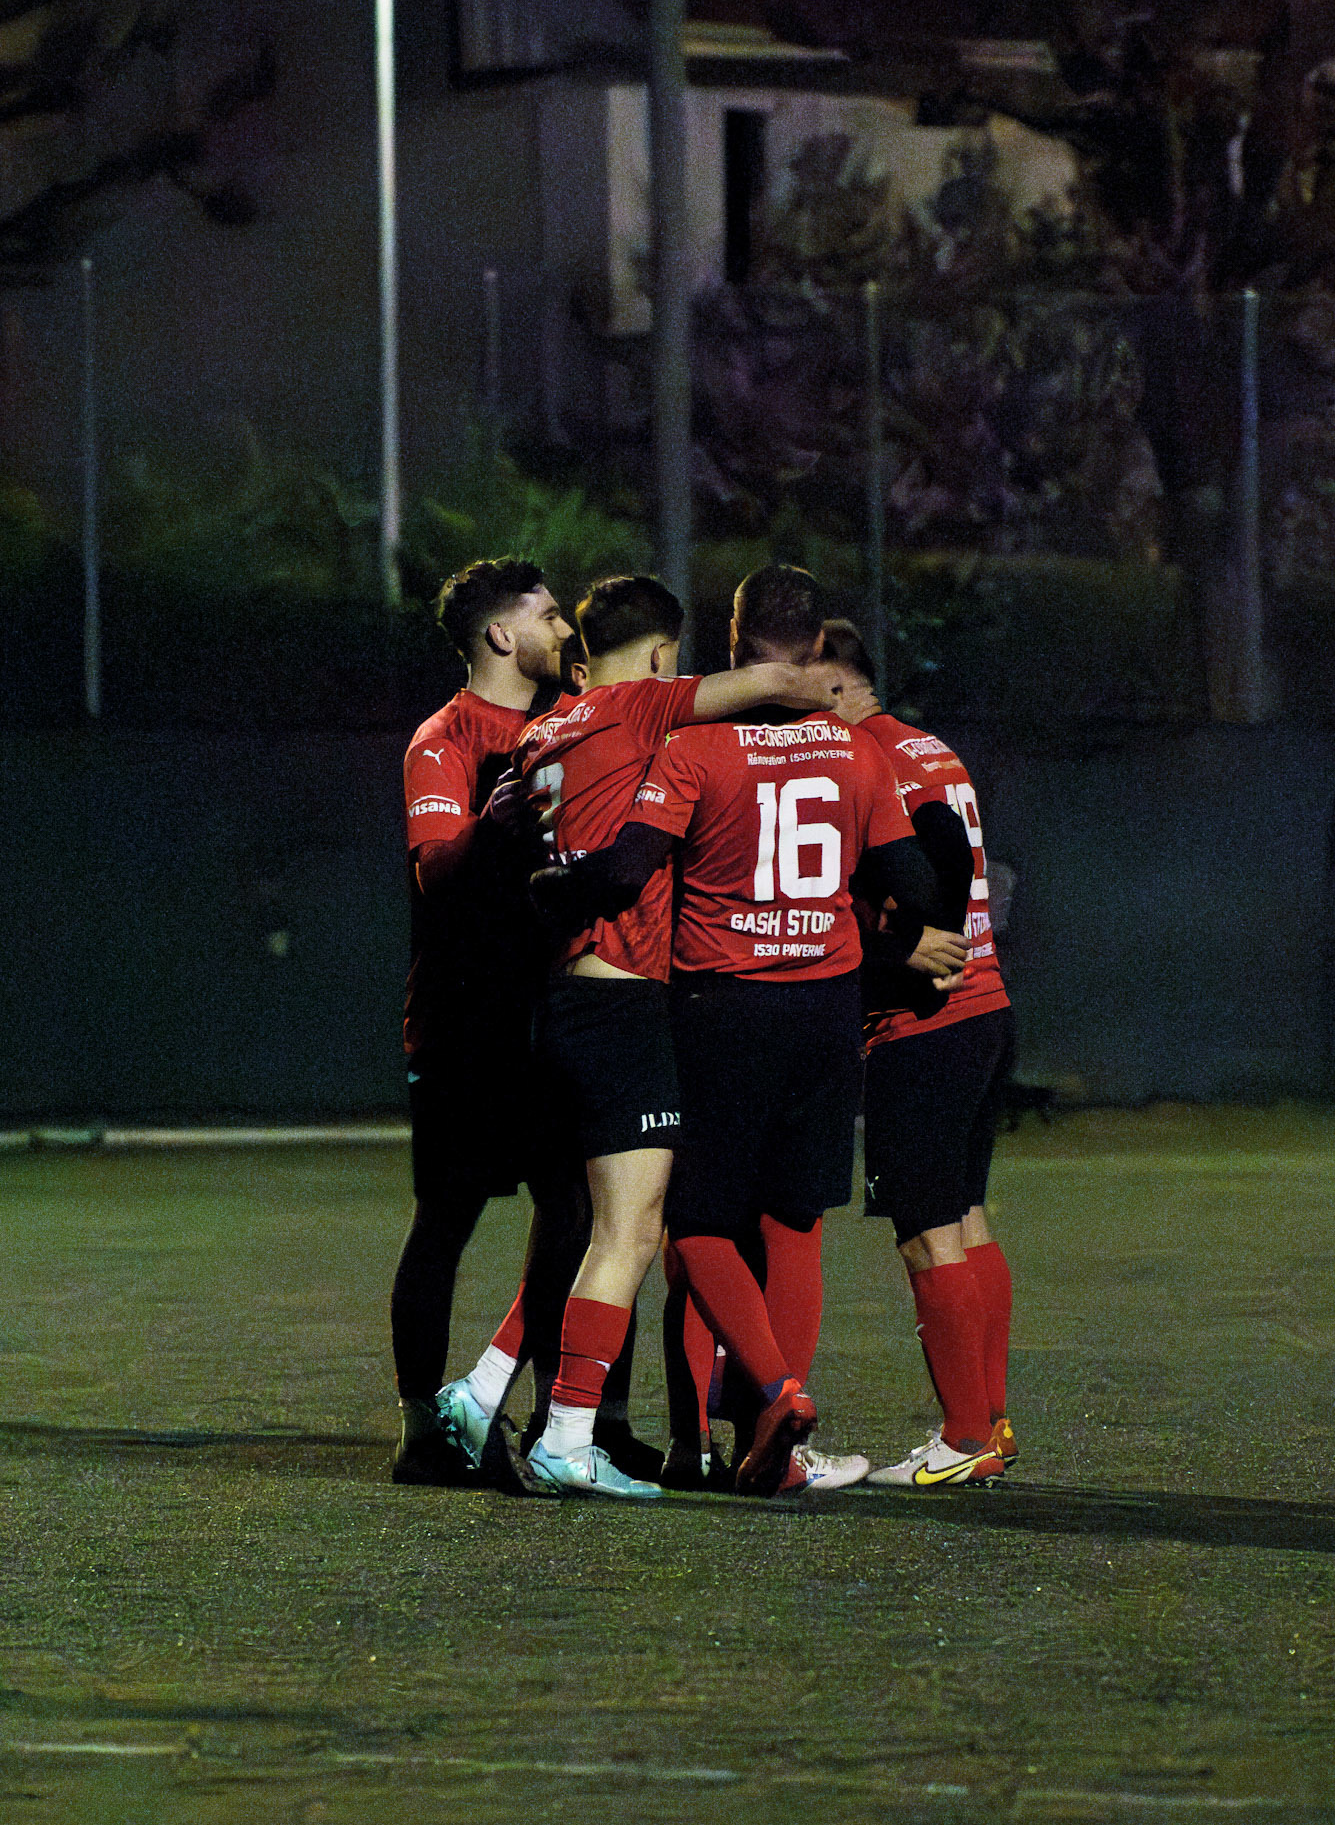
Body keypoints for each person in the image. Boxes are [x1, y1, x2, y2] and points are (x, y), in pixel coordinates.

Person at [537, 565, 946, 1496]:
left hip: (718, 1009)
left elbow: (629, 868)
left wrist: (554, 886)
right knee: (793, 1228)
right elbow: (917, 888)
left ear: (732, 645)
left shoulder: (694, 750)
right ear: (815, 648)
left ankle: (744, 1412)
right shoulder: (855, 752)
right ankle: (782, 1450)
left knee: (694, 1226)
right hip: (826, 1011)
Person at [437, 572, 846, 1500]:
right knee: (631, 1231)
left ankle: (489, 1387)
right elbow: (776, 683)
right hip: (620, 1005)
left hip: (559, 1002)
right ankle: (566, 1436)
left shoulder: (543, 731)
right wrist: (829, 693)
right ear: (662, 653)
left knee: (592, 1226)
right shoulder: (641, 707)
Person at [391, 557, 576, 1484]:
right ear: (502, 635)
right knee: (446, 1221)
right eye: (549, 615)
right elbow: (435, 868)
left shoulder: (569, 722)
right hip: (465, 1023)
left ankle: (555, 1422)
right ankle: (423, 1429)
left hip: (553, 1015)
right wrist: (492, 824)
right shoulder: (445, 738)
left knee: (578, 1213)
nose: (565, 629)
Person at [821, 617, 1016, 1488]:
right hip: (988, 1008)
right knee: (967, 1222)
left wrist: (892, 949)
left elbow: (910, 886)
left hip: (923, 1026)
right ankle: (991, 1424)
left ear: (836, 681)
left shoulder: (863, 757)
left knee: (927, 1237)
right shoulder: (930, 748)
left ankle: (964, 1437)